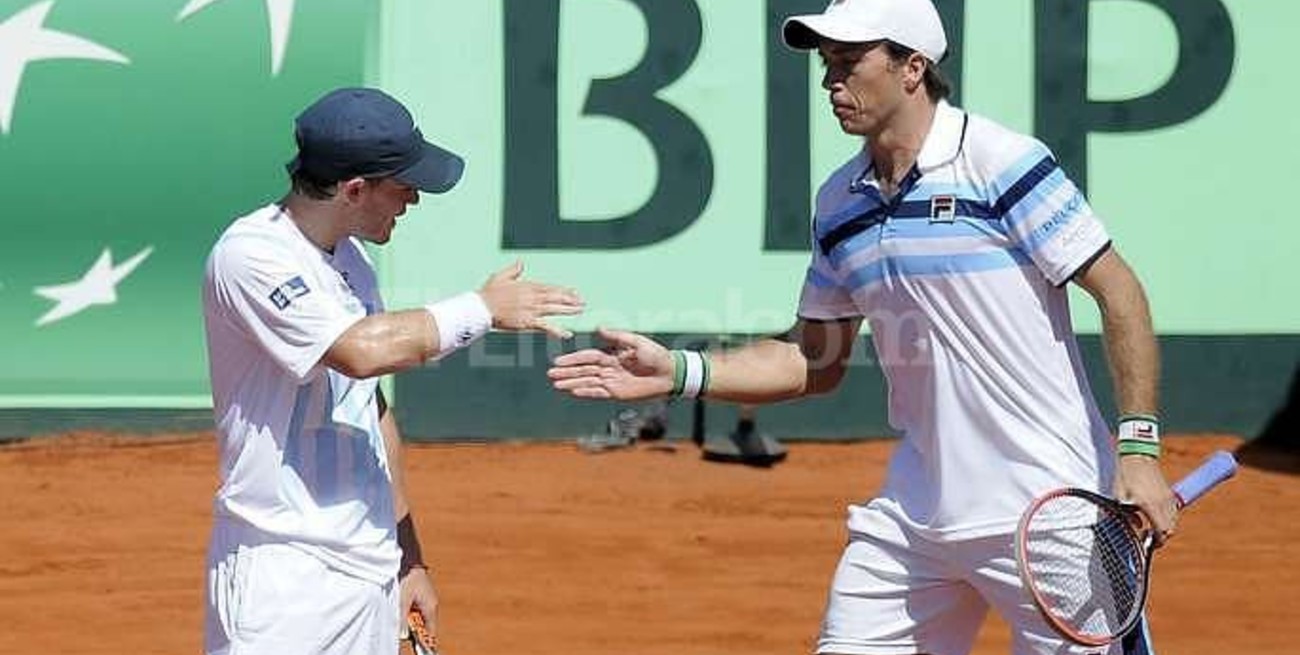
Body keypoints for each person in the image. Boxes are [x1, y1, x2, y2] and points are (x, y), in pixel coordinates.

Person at [548, 0, 1177, 652]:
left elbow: (1119, 291)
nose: (830, 82)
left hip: (1049, 513)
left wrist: (1138, 449)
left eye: (849, 63)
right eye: (827, 64)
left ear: (913, 68)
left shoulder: (1000, 163)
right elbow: (813, 361)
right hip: (914, 519)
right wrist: (681, 371)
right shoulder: (840, 202)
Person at [201, 87, 583, 655]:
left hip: (369, 572)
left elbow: (370, 410)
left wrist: (409, 557)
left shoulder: (353, 263)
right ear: (355, 190)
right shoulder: (250, 255)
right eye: (404, 186)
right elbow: (358, 351)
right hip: (282, 581)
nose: (414, 200)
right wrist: (481, 310)